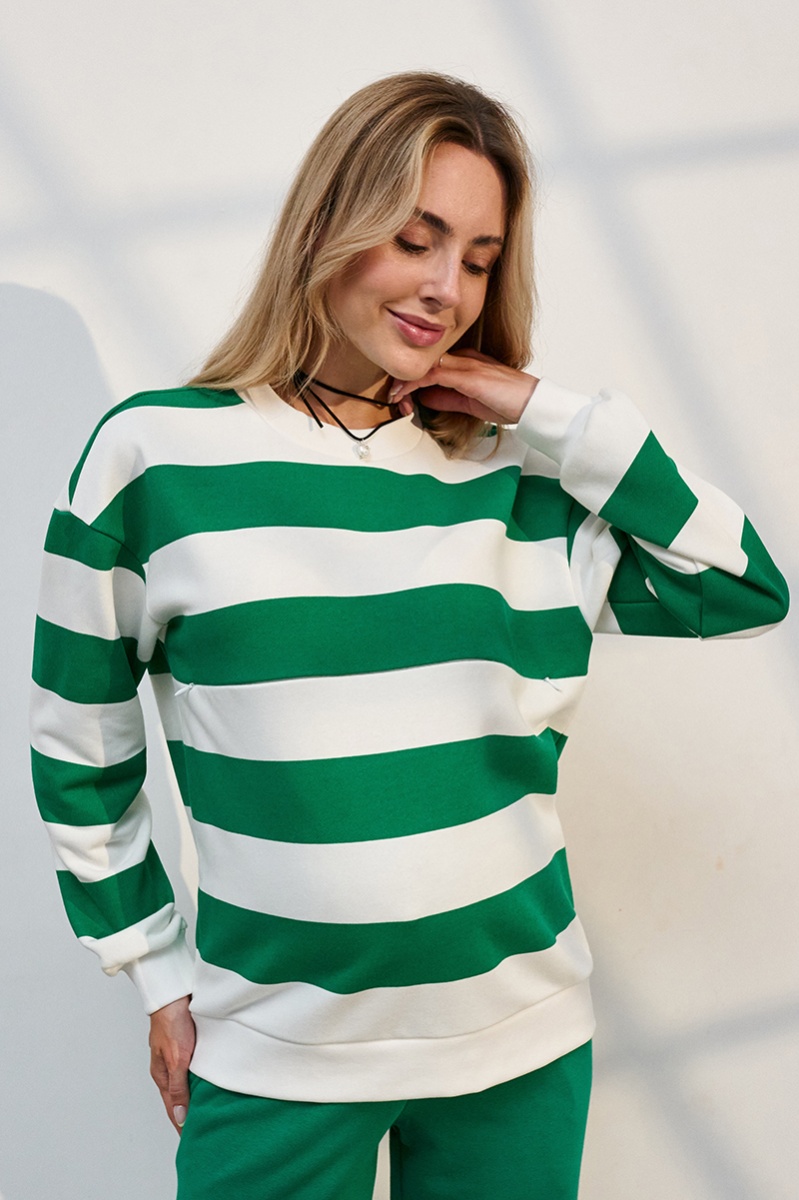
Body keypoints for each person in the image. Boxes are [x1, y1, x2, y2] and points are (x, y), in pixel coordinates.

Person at [30, 71, 788, 1200]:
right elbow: (79, 745)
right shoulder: (156, 460)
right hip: (276, 1056)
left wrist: (543, 409)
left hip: (521, 1047)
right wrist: (152, 969)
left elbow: (740, 585)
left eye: (479, 259)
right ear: (330, 224)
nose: (445, 288)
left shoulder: (517, 481)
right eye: (415, 238)